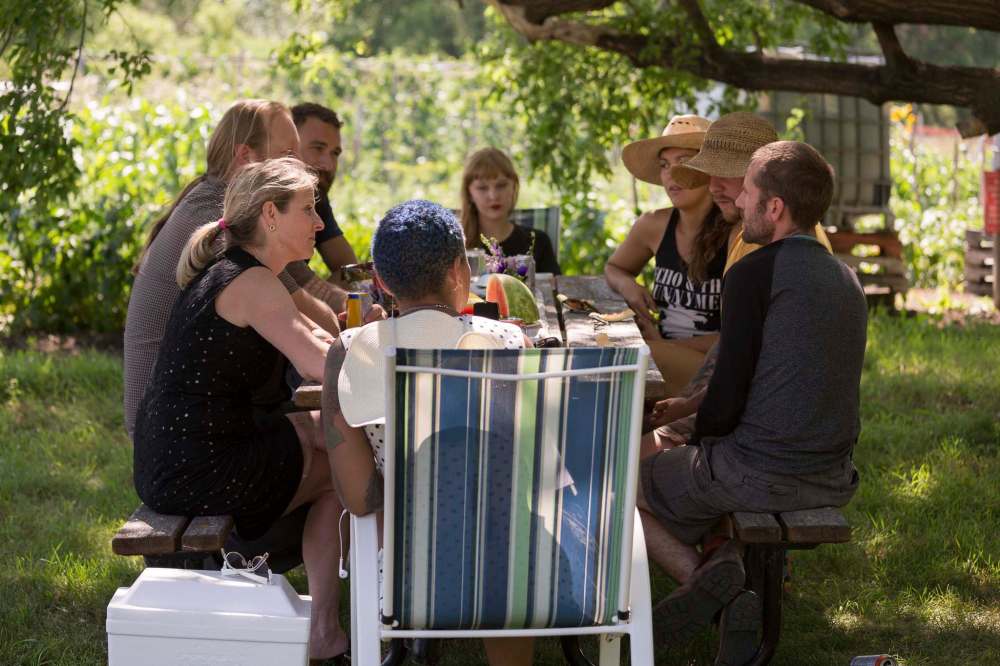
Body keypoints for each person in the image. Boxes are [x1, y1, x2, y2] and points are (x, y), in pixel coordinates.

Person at [639, 141, 867, 663]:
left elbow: (728, 397)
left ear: (774, 208)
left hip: (760, 471)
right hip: (833, 475)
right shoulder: (847, 280)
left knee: (616, 483)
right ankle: (723, 564)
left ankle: (710, 585)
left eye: (746, 191)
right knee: (684, 469)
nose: (738, 203)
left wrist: (683, 440)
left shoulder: (752, 273)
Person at [132, 157, 349, 663]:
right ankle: (328, 631)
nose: (319, 223)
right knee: (344, 467)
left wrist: (362, 335)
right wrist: (389, 353)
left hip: (178, 456)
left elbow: (323, 339)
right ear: (270, 216)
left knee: (327, 434)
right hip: (195, 467)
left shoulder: (243, 272)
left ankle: (327, 624)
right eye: (308, 210)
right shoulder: (250, 283)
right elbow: (322, 364)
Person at [321, 200, 535, 666]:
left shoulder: (350, 352)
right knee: (500, 527)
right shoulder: (509, 342)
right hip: (514, 569)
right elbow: (534, 465)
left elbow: (359, 499)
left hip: (405, 575)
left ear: (379, 280)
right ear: (461, 268)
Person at [123, 99, 340, 439]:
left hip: (180, 415)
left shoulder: (216, 204)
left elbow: (312, 307)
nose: (301, 165)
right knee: (337, 443)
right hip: (172, 428)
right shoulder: (230, 226)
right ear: (245, 157)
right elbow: (316, 318)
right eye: (287, 155)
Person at [607, 114, 730, 395]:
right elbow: (615, 268)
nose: (671, 174)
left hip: (716, 369)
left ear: (710, 168)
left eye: (683, 162)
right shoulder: (653, 225)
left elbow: (739, 337)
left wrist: (661, 345)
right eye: (664, 165)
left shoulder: (737, 235)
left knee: (619, 361)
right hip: (661, 354)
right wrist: (629, 285)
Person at [291, 103, 359, 298]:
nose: (328, 165)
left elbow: (353, 272)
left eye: (334, 154)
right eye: (318, 148)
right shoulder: (261, 199)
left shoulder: (316, 197)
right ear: (288, 146)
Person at [460, 147, 561, 275]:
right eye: (482, 188)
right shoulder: (454, 245)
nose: (493, 195)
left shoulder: (538, 242)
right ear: (469, 194)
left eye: (501, 185)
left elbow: (553, 291)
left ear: (514, 187)